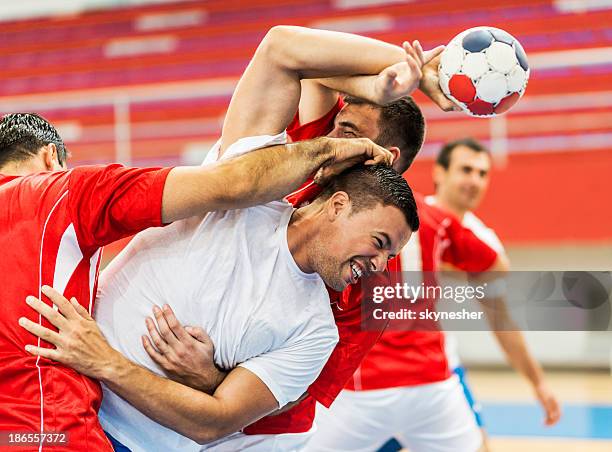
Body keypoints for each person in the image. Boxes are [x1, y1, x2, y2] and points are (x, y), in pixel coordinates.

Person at [20, 25, 426, 451]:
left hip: (246, 432)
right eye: (337, 129)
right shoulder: (279, 171)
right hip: (74, 399)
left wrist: (209, 377)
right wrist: (389, 78)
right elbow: (292, 56)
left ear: (382, 156)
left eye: (345, 134)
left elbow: (278, 399)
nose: (329, 137)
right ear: (338, 204)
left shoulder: (365, 281)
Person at [432, 138, 561, 450]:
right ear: (440, 173)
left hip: (438, 366)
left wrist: (538, 381)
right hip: (371, 361)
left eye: (482, 173)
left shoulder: (484, 244)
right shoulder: (405, 220)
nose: (474, 180)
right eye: (466, 170)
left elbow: (501, 319)